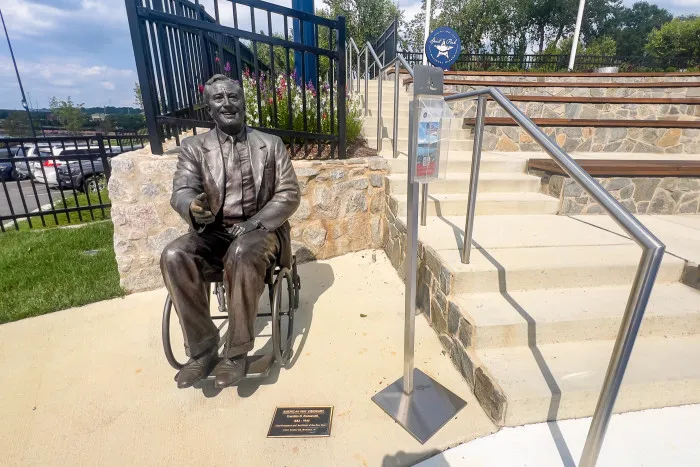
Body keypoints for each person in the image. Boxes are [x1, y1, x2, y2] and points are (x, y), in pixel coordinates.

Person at [160, 74, 300, 389]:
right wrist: (192, 206)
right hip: (213, 233)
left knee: (242, 251)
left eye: (233, 97)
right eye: (219, 99)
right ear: (209, 108)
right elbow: (181, 190)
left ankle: (236, 352)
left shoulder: (270, 144)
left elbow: (289, 193)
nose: (227, 104)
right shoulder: (195, 148)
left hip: (260, 231)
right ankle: (203, 349)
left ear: (243, 102)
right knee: (174, 255)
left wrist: (253, 224)